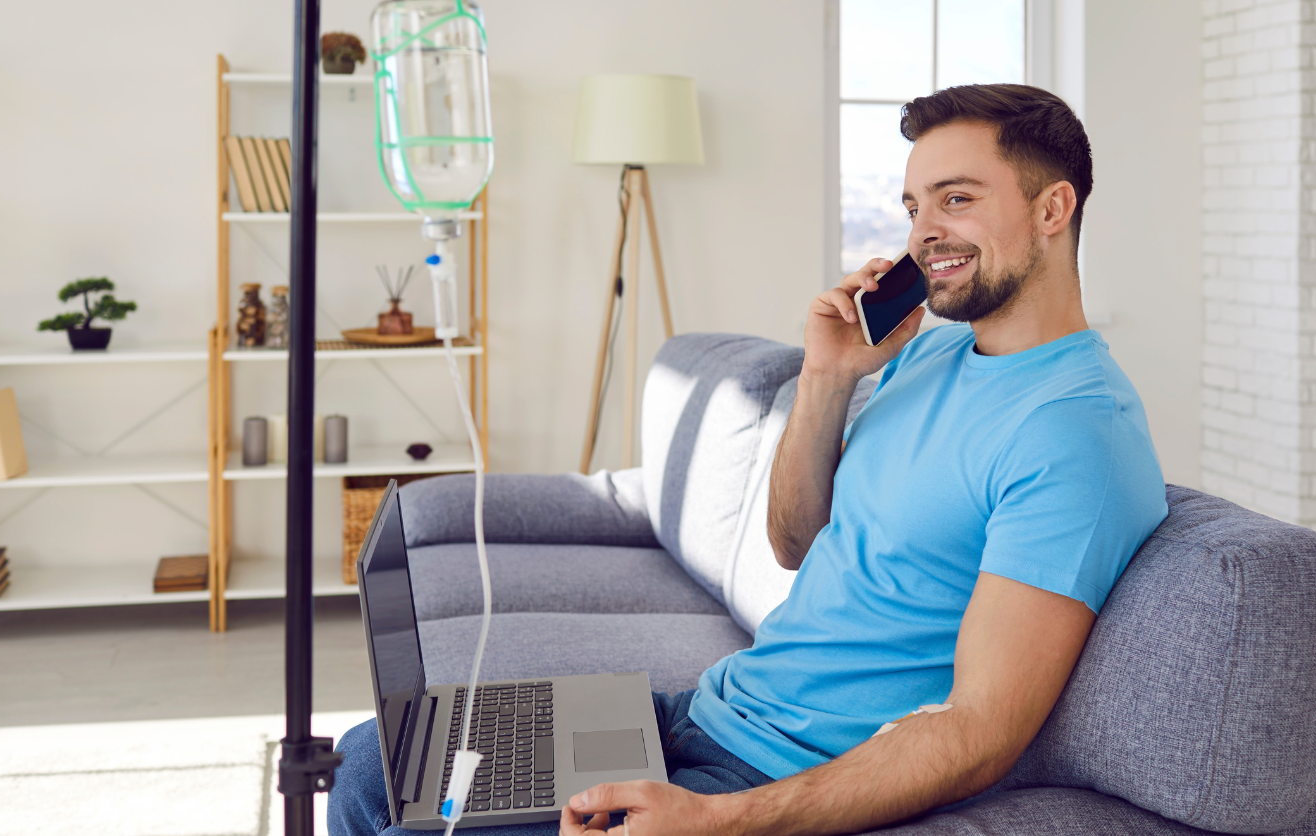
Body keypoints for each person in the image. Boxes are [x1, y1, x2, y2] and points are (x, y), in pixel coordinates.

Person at [329, 83, 1167, 836]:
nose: (924, 236)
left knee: (416, 825)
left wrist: (720, 820)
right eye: (914, 207)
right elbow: (797, 544)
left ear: (1053, 209)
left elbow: (981, 731)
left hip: (769, 777)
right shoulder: (927, 355)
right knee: (376, 762)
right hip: (707, 711)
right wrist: (826, 378)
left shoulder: (1074, 434)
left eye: (957, 200)